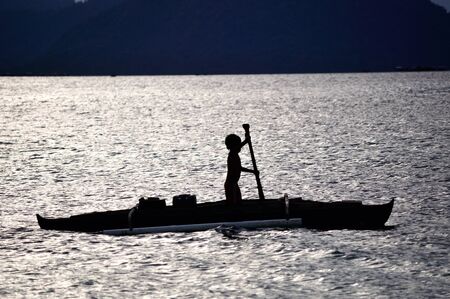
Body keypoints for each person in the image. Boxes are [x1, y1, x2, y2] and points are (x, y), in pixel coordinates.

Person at [224, 133, 258, 204]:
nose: (240, 148)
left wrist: (246, 141)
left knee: (239, 202)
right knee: (234, 204)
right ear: (233, 146)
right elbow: (239, 168)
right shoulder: (232, 155)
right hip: (231, 184)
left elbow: (238, 147)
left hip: (234, 183)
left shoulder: (234, 153)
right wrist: (253, 171)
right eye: (238, 145)